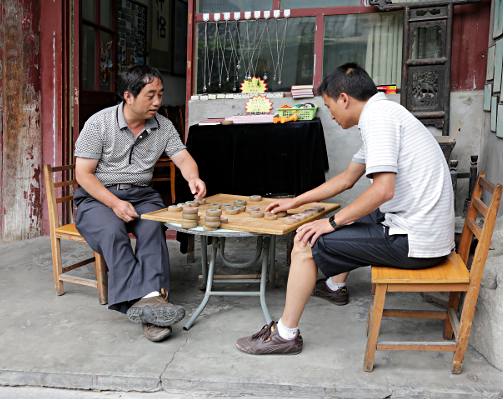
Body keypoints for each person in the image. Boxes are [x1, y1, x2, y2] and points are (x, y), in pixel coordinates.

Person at [235, 62, 454, 355]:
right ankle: (334, 287)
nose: (332, 115)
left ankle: (285, 335)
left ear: (344, 99)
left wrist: (331, 223)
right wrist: (297, 201)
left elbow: (383, 190)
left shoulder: (378, 120)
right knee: (356, 215)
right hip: (425, 232)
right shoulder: (383, 112)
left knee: (305, 240)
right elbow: (348, 179)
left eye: (328, 106)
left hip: (416, 243)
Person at [74, 65, 206, 342]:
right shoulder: (98, 124)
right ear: (128, 96)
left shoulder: (164, 125)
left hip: (142, 195)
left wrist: (193, 178)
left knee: (152, 228)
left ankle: (145, 304)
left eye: (160, 94)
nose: (157, 101)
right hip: (98, 197)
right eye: (150, 95)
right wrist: (113, 204)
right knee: (112, 232)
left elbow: (182, 157)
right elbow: (83, 175)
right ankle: (151, 300)